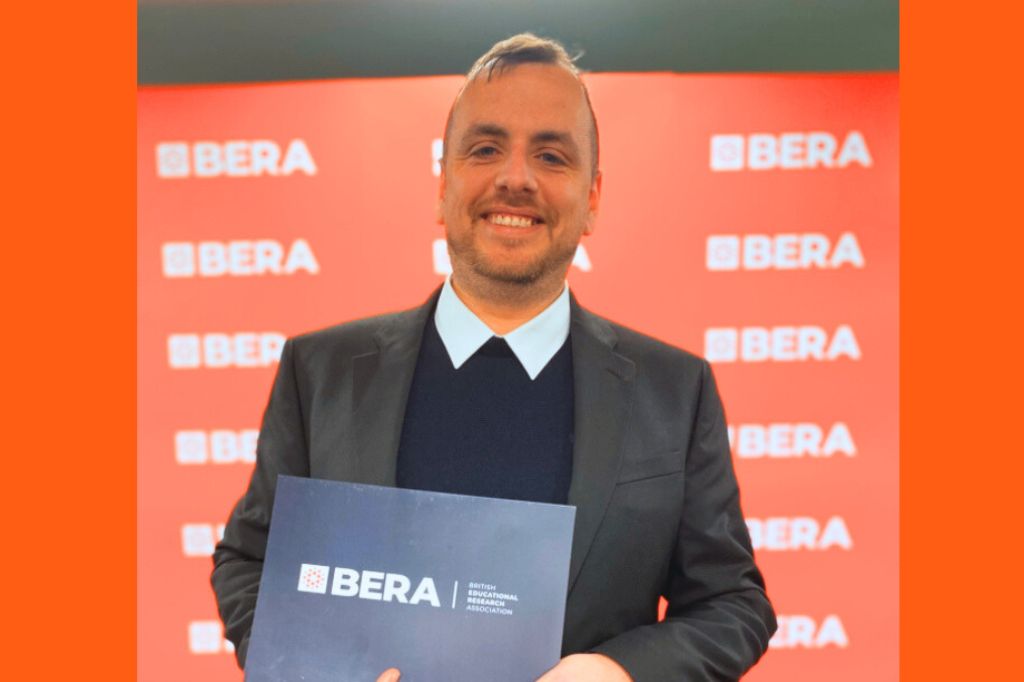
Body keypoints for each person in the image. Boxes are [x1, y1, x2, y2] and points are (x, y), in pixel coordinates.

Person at [212, 33, 776, 682]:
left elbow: (733, 604)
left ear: (592, 198)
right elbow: (249, 563)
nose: (515, 178)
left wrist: (617, 672)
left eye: (552, 155)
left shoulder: (676, 391)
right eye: (485, 149)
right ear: (443, 185)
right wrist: (308, 670)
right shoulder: (322, 373)